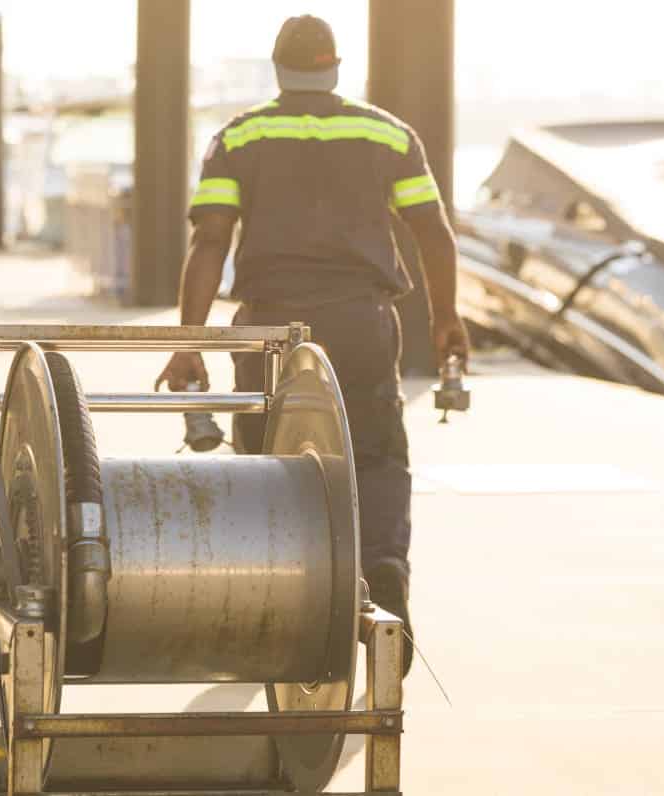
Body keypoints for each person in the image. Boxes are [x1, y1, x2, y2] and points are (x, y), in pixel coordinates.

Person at [155, 14, 470, 676]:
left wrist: (190, 343)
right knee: (378, 455)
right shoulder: (386, 132)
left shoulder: (238, 136)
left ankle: (267, 611)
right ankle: (382, 569)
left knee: (262, 467)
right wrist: (446, 318)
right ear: (335, 68)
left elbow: (209, 240)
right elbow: (433, 232)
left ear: (277, 69)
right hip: (358, 319)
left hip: (268, 323)